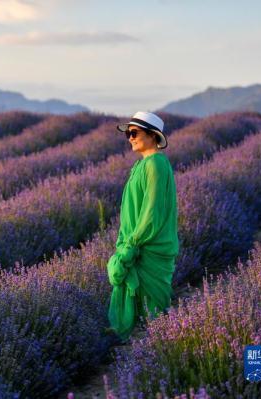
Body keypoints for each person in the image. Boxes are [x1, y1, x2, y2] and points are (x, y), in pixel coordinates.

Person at [106, 111, 179, 343]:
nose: (129, 137)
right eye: (128, 133)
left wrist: (134, 242)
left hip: (148, 247)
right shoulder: (143, 165)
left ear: (152, 135)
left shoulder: (156, 163)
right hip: (136, 245)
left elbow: (152, 211)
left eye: (134, 132)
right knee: (145, 314)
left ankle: (163, 356)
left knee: (154, 311)